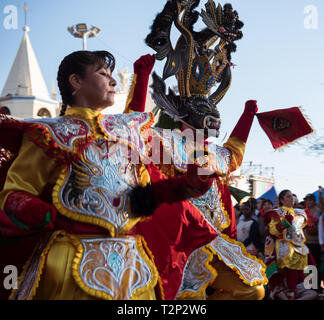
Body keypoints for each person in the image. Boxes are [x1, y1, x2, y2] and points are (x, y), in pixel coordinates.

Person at [0, 50, 218, 300]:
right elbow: (14, 193)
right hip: (71, 261)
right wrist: (42, 213)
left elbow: (139, 200)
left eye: (112, 74)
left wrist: (184, 187)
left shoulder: (124, 132)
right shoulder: (48, 134)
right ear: (76, 81)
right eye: (103, 74)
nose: (113, 81)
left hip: (133, 266)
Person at [129, 0, 268, 300]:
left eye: (215, 117)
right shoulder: (166, 143)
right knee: (184, 297)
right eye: (206, 116)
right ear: (184, 116)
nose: (214, 122)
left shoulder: (215, 154)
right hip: (178, 240)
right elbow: (131, 132)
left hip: (213, 239)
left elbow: (234, 153)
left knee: (253, 291)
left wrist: (247, 117)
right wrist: (141, 81)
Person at [264, 189, 317, 300]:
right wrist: (284, 223)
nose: (291, 198)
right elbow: (273, 231)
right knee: (289, 277)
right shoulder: (276, 213)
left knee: (307, 274)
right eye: (288, 196)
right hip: (285, 248)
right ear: (281, 200)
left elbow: (301, 228)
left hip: (301, 248)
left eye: (292, 196)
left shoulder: (301, 212)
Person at [304, 191, 323, 290]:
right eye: (306, 200)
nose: (308, 202)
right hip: (305, 242)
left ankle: (316, 286)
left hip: (316, 242)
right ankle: (308, 285)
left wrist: (320, 195)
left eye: (310, 200)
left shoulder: (319, 209)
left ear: (314, 201)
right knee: (307, 265)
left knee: (315, 264)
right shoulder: (303, 211)